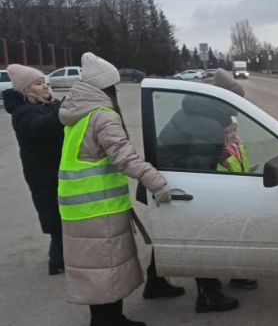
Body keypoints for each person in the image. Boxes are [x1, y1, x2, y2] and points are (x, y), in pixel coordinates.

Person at [58, 52, 172, 326]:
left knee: (98, 271)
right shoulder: (103, 116)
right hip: (100, 209)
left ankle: (109, 319)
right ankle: (109, 321)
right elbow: (125, 158)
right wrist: (157, 183)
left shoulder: (78, 114)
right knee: (106, 269)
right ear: (105, 87)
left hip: (78, 207)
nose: (117, 90)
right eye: (114, 86)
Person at [147, 68, 255, 314]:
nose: (237, 108)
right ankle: (208, 295)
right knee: (201, 233)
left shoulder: (196, 110)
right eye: (236, 102)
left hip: (163, 178)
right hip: (175, 184)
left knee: (170, 231)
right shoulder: (209, 125)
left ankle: (154, 282)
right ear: (224, 100)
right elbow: (202, 177)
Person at [3, 64, 65, 275]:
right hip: (43, 173)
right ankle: (56, 263)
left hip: (56, 169)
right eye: (38, 84)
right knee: (55, 216)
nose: (45, 87)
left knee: (62, 214)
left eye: (44, 82)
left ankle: (62, 256)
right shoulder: (22, 113)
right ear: (26, 90)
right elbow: (45, 126)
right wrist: (64, 109)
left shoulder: (48, 105)